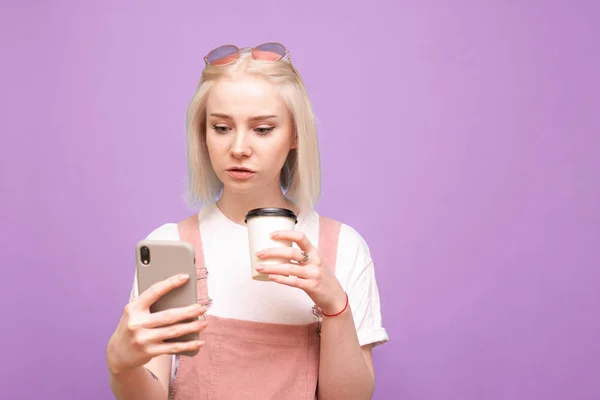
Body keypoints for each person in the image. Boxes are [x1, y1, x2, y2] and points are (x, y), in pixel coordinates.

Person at [106, 42, 389, 400]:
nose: (239, 147)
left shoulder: (343, 248)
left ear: (295, 134)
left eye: (263, 129)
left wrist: (335, 306)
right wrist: (122, 365)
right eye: (222, 127)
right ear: (202, 133)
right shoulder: (171, 247)